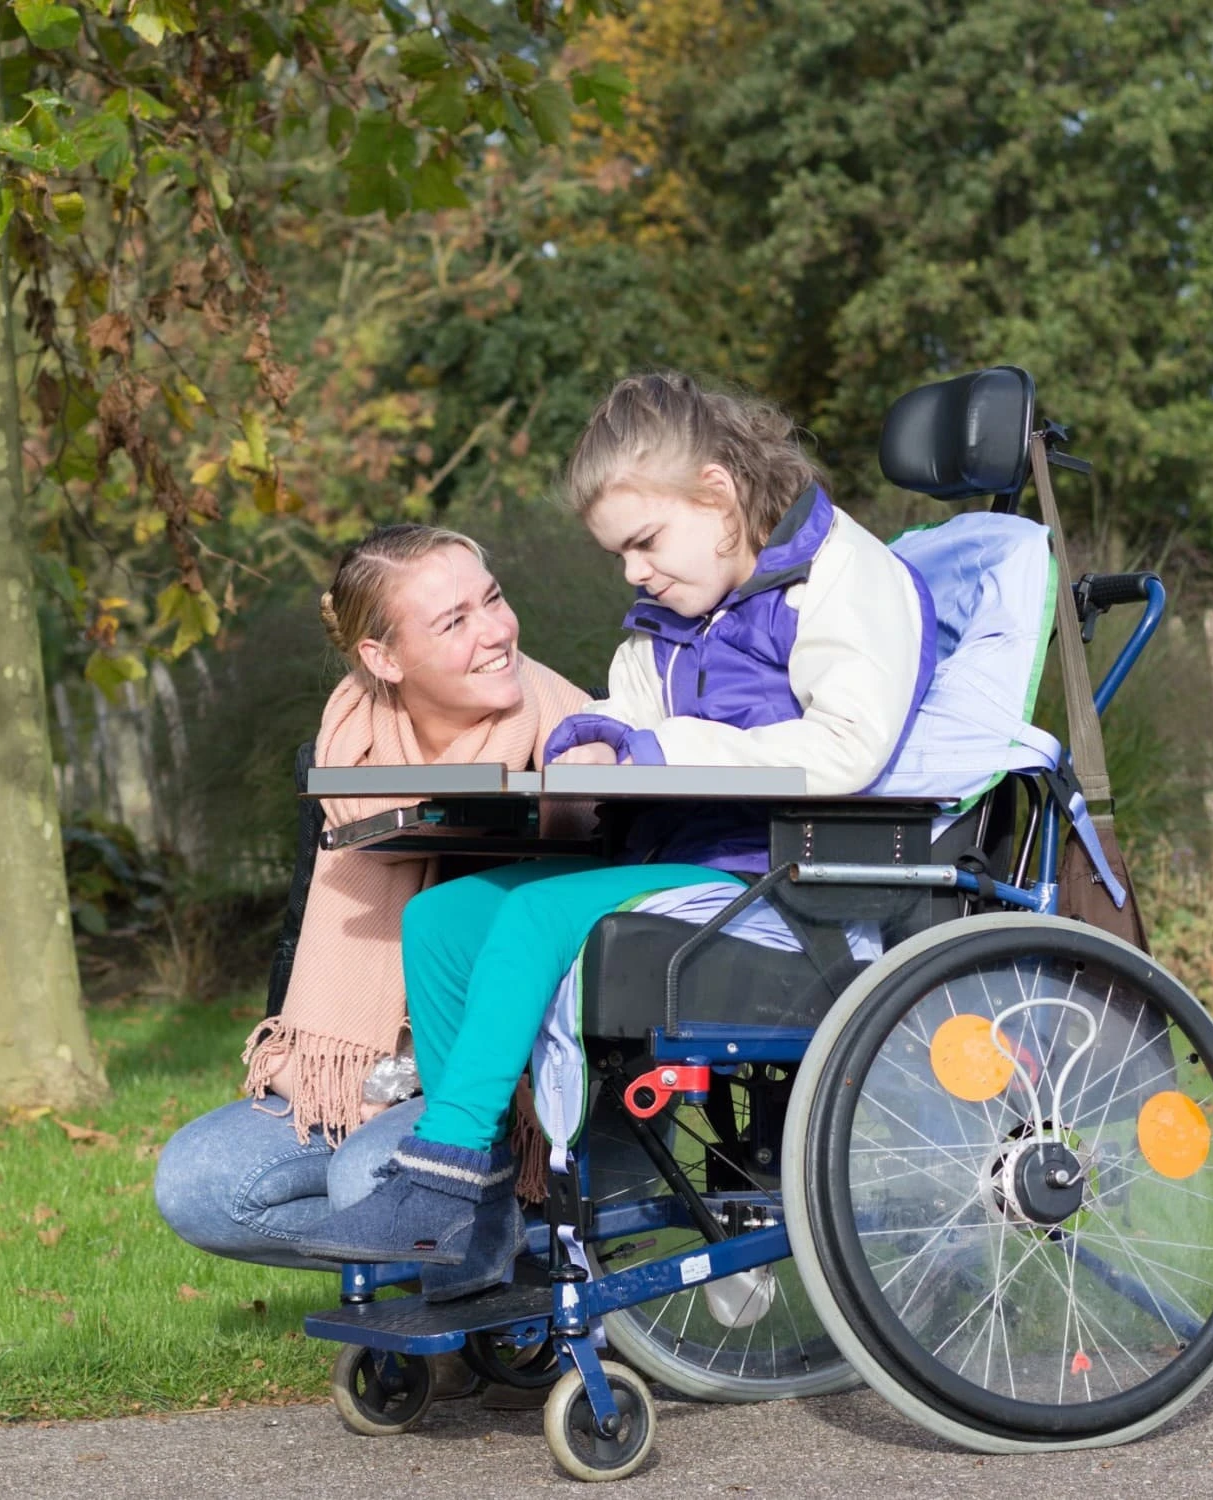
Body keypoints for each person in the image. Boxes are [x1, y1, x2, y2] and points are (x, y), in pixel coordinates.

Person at [289, 371, 937, 1298]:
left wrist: (654, 744)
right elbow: (624, 719)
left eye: (643, 542)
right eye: (619, 554)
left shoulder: (843, 579)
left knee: (533, 921)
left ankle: (437, 1184)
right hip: (678, 868)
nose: (633, 572)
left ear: (716, 493)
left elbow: (848, 750)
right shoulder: (674, 615)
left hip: (790, 885)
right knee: (443, 921)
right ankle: (474, 1196)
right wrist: (586, 749)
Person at [152, 523, 591, 1268]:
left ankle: (511, 1278)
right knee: (197, 1183)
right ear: (382, 659)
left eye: (492, 599)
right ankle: (473, 1257)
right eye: (454, 621)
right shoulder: (345, 750)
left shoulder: (575, 742)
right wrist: (367, 1087)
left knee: (366, 1177)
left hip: (510, 1089)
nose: (495, 632)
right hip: (367, 1070)